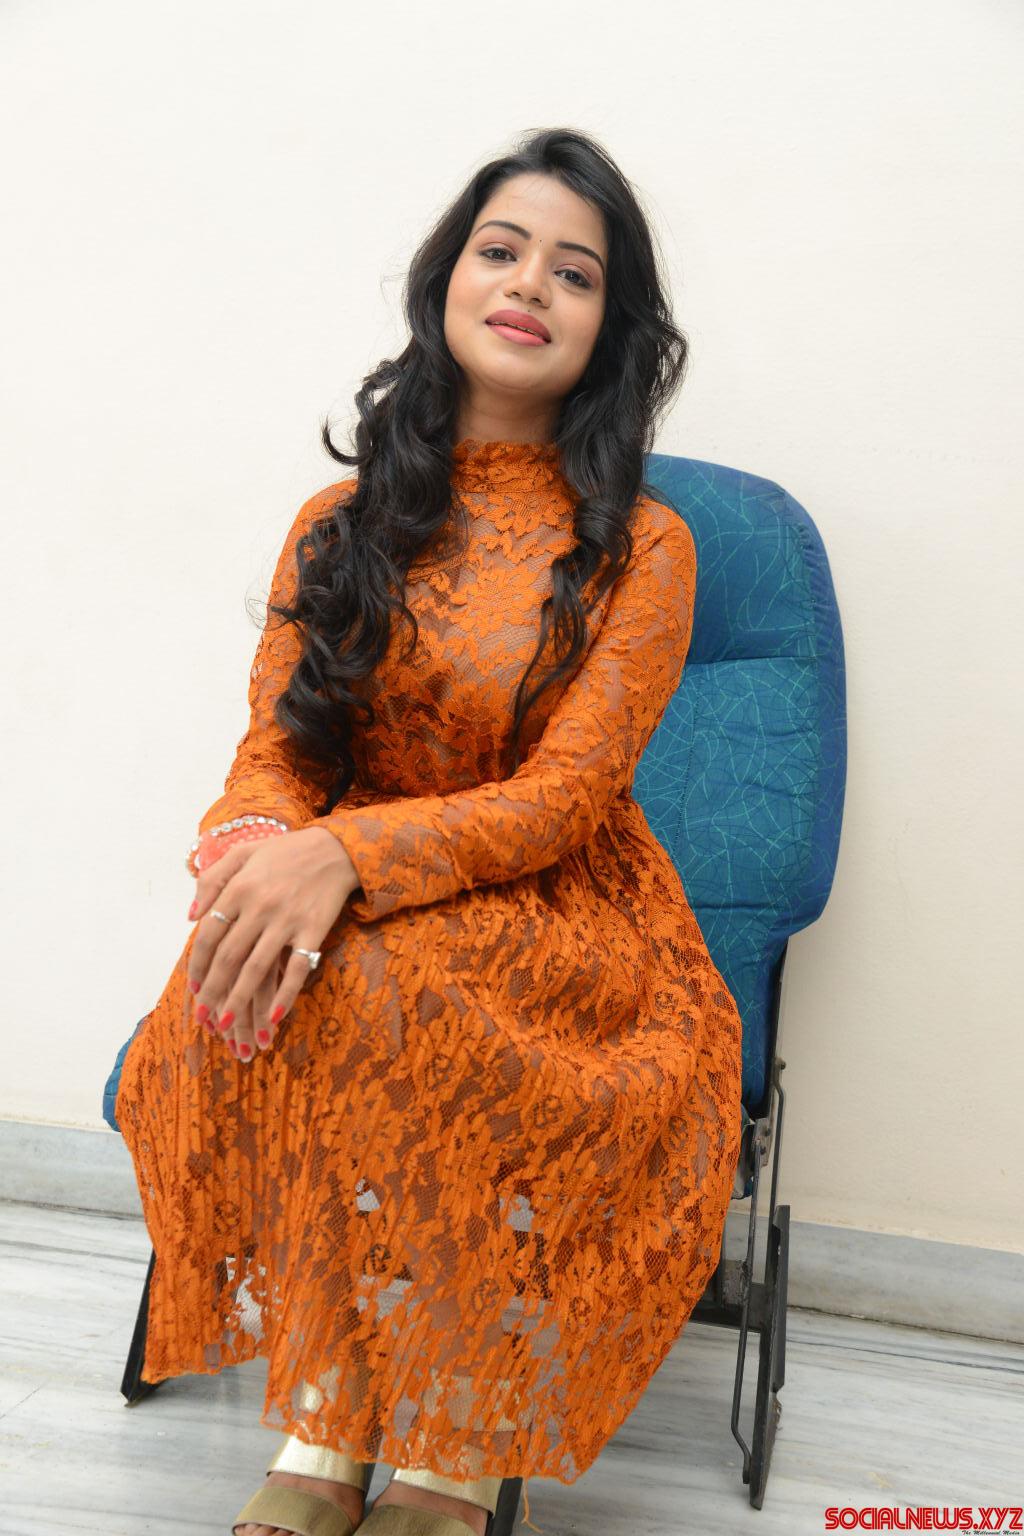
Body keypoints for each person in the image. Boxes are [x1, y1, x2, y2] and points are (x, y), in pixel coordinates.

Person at [114, 126, 745, 1536]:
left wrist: (343, 857)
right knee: (262, 983)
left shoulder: (646, 545)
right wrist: (257, 849)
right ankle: (331, 1423)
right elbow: (280, 745)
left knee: (392, 994)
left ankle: (447, 1449)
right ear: (445, 280)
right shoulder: (338, 523)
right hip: (347, 888)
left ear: (612, 328)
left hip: (563, 907)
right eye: (501, 250)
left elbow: (563, 800)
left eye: (575, 273)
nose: (529, 285)